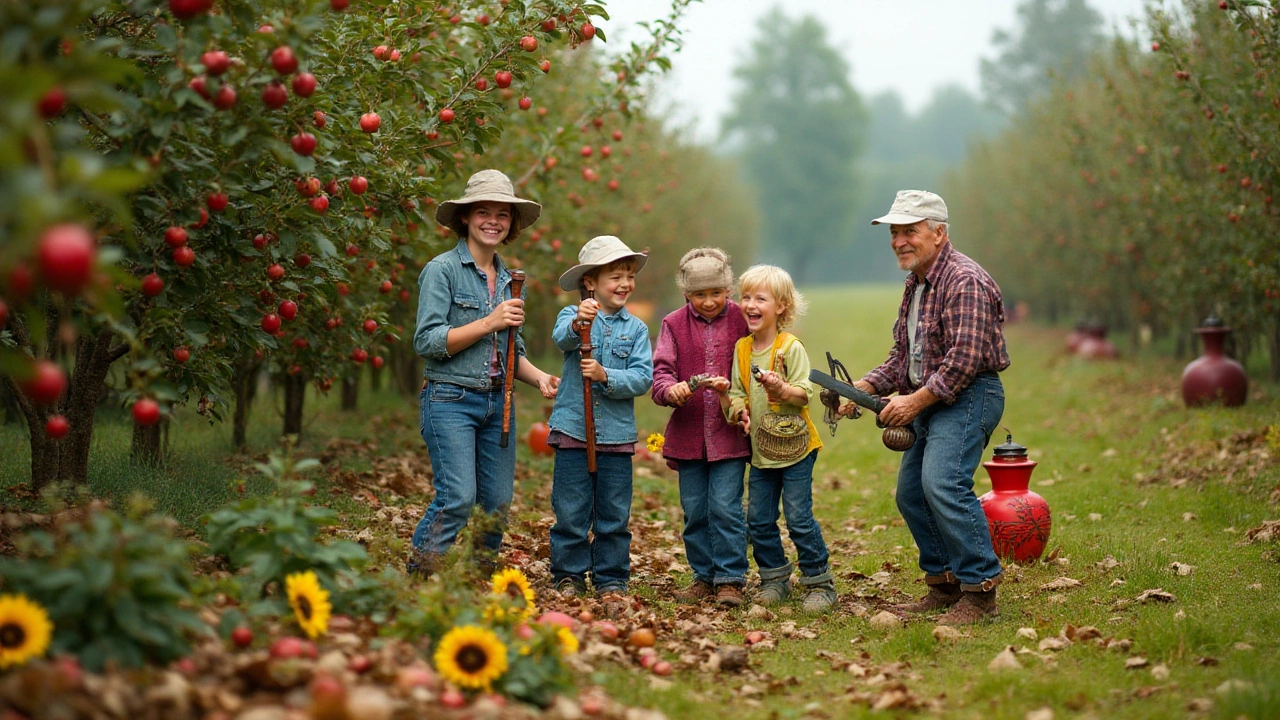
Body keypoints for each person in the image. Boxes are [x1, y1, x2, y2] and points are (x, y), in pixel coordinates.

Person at [840, 189, 1010, 626]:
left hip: (971, 394)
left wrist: (913, 403)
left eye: (909, 231)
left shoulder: (963, 280)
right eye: (895, 233)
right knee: (911, 494)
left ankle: (981, 589)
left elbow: (964, 362)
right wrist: (861, 387)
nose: (899, 240)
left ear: (938, 233)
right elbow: (904, 358)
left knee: (943, 483)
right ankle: (945, 584)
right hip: (934, 397)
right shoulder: (916, 285)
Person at [410, 169, 560, 577]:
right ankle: (420, 579)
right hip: (450, 398)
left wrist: (540, 378)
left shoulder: (513, 281)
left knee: (495, 504)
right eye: (483, 211)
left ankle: (476, 581)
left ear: (511, 224)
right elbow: (427, 342)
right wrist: (488, 322)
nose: (493, 221)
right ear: (465, 217)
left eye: (503, 214)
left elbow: (513, 350)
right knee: (457, 497)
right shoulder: (441, 271)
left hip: (499, 401)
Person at [723, 264, 837, 613]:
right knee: (758, 519)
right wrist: (739, 412)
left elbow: (805, 395)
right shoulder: (742, 349)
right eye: (746, 297)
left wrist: (780, 387)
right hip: (761, 452)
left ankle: (819, 582)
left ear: (781, 307)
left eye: (761, 298)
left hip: (798, 450)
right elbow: (737, 391)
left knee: (799, 518)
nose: (751, 304)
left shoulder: (790, 348)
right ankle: (774, 578)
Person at [547, 236, 653, 598]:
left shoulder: (636, 329)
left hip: (616, 436)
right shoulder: (571, 316)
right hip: (574, 429)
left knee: (613, 513)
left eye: (629, 276)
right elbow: (561, 339)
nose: (625, 283)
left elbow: (642, 377)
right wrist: (580, 323)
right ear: (590, 282)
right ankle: (569, 574)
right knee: (571, 509)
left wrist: (606, 376)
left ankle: (611, 578)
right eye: (615, 276)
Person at [651, 248, 752, 608]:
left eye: (716, 293)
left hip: (730, 434)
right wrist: (670, 390)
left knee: (725, 506)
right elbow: (661, 371)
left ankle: (730, 578)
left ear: (729, 290)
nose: (709, 301)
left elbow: (758, 358)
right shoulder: (673, 324)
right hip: (688, 434)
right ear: (686, 295)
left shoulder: (742, 319)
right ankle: (703, 575)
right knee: (695, 509)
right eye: (699, 295)